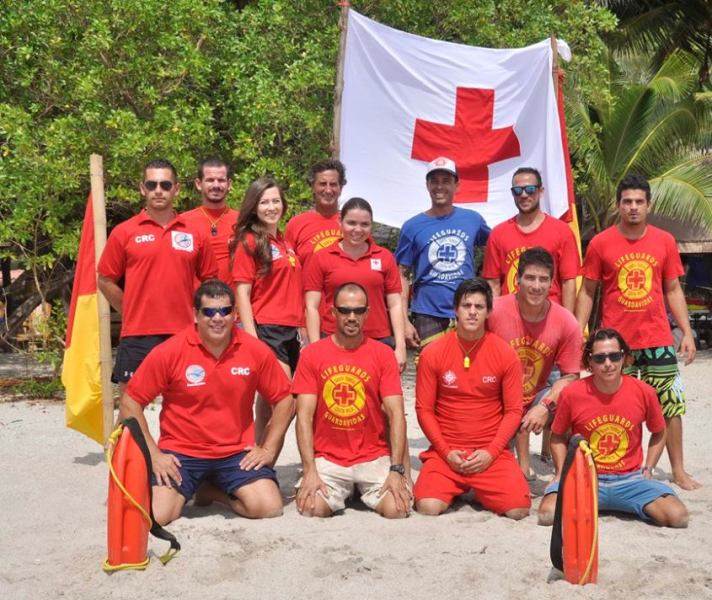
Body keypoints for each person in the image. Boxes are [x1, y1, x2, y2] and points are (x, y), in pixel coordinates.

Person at [117, 280, 295, 525]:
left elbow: (286, 400)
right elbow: (130, 403)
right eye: (209, 312)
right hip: (181, 453)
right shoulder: (170, 351)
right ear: (195, 315)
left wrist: (268, 448)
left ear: (235, 313)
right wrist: (154, 454)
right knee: (156, 516)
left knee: (269, 507)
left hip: (235, 453)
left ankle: (211, 491)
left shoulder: (255, 350)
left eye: (224, 311)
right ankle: (192, 487)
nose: (217, 318)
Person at [575, 174, 699, 490]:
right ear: (619, 205)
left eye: (639, 202)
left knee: (670, 405)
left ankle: (679, 471)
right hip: (616, 345)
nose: (633, 207)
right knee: (616, 407)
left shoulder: (665, 241)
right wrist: (578, 333)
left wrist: (686, 331)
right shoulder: (601, 243)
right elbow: (587, 291)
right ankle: (619, 467)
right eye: (627, 201)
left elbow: (672, 288)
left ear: (648, 205)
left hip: (658, 340)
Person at [537, 328, 689, 528]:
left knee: (678, 517)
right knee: (547, 515)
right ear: (589, 362)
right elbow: (556, 437)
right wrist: (560, 473)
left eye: (614, 356)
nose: (608, 364)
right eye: (600, 358)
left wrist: (649, 468)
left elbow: (659, 431)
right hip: (585, 478)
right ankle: (602, 504)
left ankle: (616, 503)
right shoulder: (572, 393)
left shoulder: (644, 392)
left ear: (624, 357)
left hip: (630, 480)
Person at [97, 158, 218, 396]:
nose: (158, 191)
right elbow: (105, 279)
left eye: (165, 184)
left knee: (187, 408)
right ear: (143, 188)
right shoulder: (125, 232)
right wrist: (129, 308)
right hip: (137, 335)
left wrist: (202, 318)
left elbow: (211, 283)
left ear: (177, 189)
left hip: (185, 335)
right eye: (152, 185)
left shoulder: (195, 233)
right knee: (131, 410)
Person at [414, 278, 530, 519]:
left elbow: (513, 411)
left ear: (488, 312)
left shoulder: (505, 354)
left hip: (490, 453)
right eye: (467, 306)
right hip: (447, 452)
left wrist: (490, 452)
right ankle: (456, 485)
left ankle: (479, 487)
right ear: (456, 309)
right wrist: (446, 452)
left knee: (518, 509)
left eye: (479, 307)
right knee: (427, 507)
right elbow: (424, 410)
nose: (472, 312)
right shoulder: (432, 353)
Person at [293, 282, 411, 518]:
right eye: (345, 310)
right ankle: (347, 488)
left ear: (367, 313)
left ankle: (358, 488)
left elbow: (396, 414)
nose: (351, 317)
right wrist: (310, 470)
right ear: (333, 312)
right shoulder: (312, 355)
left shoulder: (383, 355)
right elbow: (303, 416)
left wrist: (397, 470)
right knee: (311, 508)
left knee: (397, 510)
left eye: (358, 311)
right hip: (329, 458)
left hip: (372, 455)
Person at [487, 248, 581, 479]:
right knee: (497, 471)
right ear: (517, 279)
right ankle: (516, 464)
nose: (536, 286)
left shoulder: (566, 322)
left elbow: (570, 377)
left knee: (574, 401)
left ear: (552, 283)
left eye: (543, 279)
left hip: (537, 396)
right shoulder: (493, 310)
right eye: (530, 278)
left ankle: (562, 476)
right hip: (494, 397)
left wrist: (545, 405)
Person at [230, 178, 303, 443]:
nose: (271, 207)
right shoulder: (248, 241)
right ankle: (265, 458)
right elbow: (242, 293)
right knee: (286, 403)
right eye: (264, 202)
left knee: (266, 405)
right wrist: (252, 337)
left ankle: (258, 465)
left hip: (290, 331)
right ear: (254, 206)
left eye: (275, 201)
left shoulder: (284, 241)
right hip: (266, 330)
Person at [395, 157, 490, 352]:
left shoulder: (473, 220)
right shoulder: (411, 227)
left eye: (446, 181)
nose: (440, 186)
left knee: (469, 374)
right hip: (427, 313)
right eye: (435, 181)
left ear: (457, 185)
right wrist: (404, 321)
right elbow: (401, 277)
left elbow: (498, 246)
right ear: (427, 185)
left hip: (468, 309)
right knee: (430, 373)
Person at [304, 197, 406, 371]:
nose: (357, 230)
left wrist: (401, 346)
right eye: (351, 223)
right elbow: (311, 306)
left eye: (364, 224)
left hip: (378, 340)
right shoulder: (321, 257)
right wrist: (315, 347)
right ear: (340, 222)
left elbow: (395, 304)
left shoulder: (385, 257)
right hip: (334, 339)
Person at [482, 167, 580, 312]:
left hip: (549, 317)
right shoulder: (498, 234)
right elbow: (493, 283)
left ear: (541, 191)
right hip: (510, 317)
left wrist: (568, 323)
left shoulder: (562, 232)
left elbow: (568, 282)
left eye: (530, 189)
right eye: (517, 190)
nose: (523, 195)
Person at [180, 158, 239, 286]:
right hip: (195, 303)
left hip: (234, 303)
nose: (216, 185)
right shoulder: (182, 222)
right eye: (210, 180)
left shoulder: (243, 221)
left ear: (229, 184)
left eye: (221, 180)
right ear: (199, 184)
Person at [285, 159, 345, 267]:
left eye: (333, 184)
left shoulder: (353, 224)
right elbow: (287, 267)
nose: (328, 190)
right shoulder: (296, 224)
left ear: (341, 188)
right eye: (322, 184)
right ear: (313, 187)